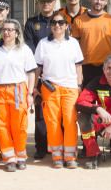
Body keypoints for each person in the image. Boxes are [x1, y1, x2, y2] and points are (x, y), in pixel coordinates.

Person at [0, 19, 38, 171]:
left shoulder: (24, 49)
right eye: (4, 29)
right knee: (1, 125)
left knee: (19, 126)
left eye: (10, 30)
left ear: (17, 32)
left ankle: (21, 156)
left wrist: (31, 93)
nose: (6, 32)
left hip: (18, 89)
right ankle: (9, 158)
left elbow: (31, 73)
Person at [34, 14, 84, 168]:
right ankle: (56, 156)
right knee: (52, 122)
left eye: (61, 23)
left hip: (70, 87)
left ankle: (70, 157)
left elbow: (78, 66)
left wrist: (79, 85)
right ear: (50, 25)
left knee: (69, 121)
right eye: (54, 23)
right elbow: (38, 68)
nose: (57, 25)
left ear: (66, 25)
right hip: (50, 88)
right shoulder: (43, 43)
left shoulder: (73, 43)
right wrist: (35, 87)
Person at [24, 0, 59, 159]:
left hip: (59, 73)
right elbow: (30, 49)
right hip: (39, 73)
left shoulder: (61, 20)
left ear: (55, 1)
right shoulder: (31, 23)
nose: (46, 4)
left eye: (50, 0)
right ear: (38, 2)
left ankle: (56, 145)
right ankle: (41, 146)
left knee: (58, 111)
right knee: (40, 111)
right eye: (43, 1)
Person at [71, 0, 111, 85]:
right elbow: (74, 48)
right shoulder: (79, 20)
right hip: (85, 68)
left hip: (107, 68)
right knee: (86, 99)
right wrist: (77, 70)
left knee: (105, 99)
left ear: (106, 1)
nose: (99, 1)